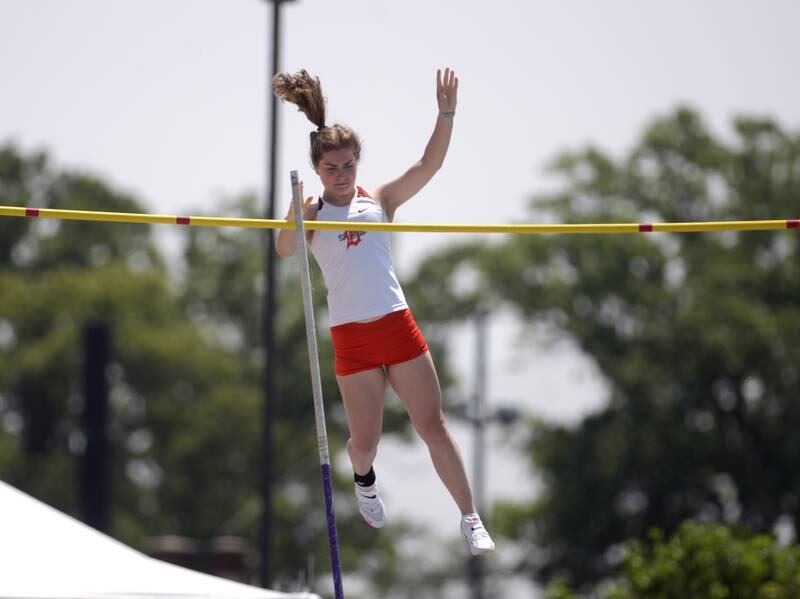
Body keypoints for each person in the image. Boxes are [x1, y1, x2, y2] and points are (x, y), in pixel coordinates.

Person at [273, 68, 494, 556]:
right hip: (352, 337)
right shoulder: (312, 213)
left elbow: (428, 165)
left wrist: (446, 113)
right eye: (332, 168)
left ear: (357, 163)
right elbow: (285, 249)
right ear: (317, 169)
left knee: (433, 426)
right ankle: (365, 480)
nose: (342, 175)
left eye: (348, 165)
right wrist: (294, 214)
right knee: (364, 445)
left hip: (396, 324)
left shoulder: (380, 201)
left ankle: (470, 517)